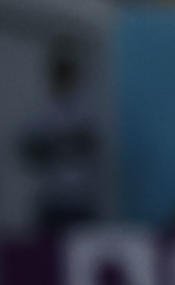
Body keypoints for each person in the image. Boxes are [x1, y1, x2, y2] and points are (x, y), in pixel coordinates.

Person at [14, 40, 107, 225]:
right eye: (59, 71)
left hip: (80, 199)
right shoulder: (41, 109)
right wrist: (64, 144)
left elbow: (88, 144)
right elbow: (29, 151)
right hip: (51, 199)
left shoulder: (88, 107)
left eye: (67, 71)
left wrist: (54, 145)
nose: (63, 76)